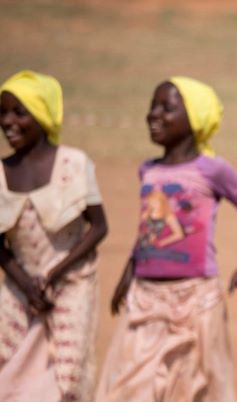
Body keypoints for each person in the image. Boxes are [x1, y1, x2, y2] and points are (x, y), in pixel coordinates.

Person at [95, 76, 237, 402]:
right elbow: (148, 229)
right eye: (152, 107)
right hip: (145, 298)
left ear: (196, 118)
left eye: (167, 108)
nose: (153, 115)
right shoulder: (148, 170)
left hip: (196, 299)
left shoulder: (212, 169)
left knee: (193, 387)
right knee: (129, 386)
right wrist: (127, 273)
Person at [0, 70, 108, 401]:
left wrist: (54, 273)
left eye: (20, 112)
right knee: (9, 363)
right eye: (2, 113)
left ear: (44, 114)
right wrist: (25, 281)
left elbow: (99, 226)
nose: (8, 122)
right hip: (18, 285)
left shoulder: (74, 164)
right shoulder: (1, 172)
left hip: (72, 282)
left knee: (68, 373)